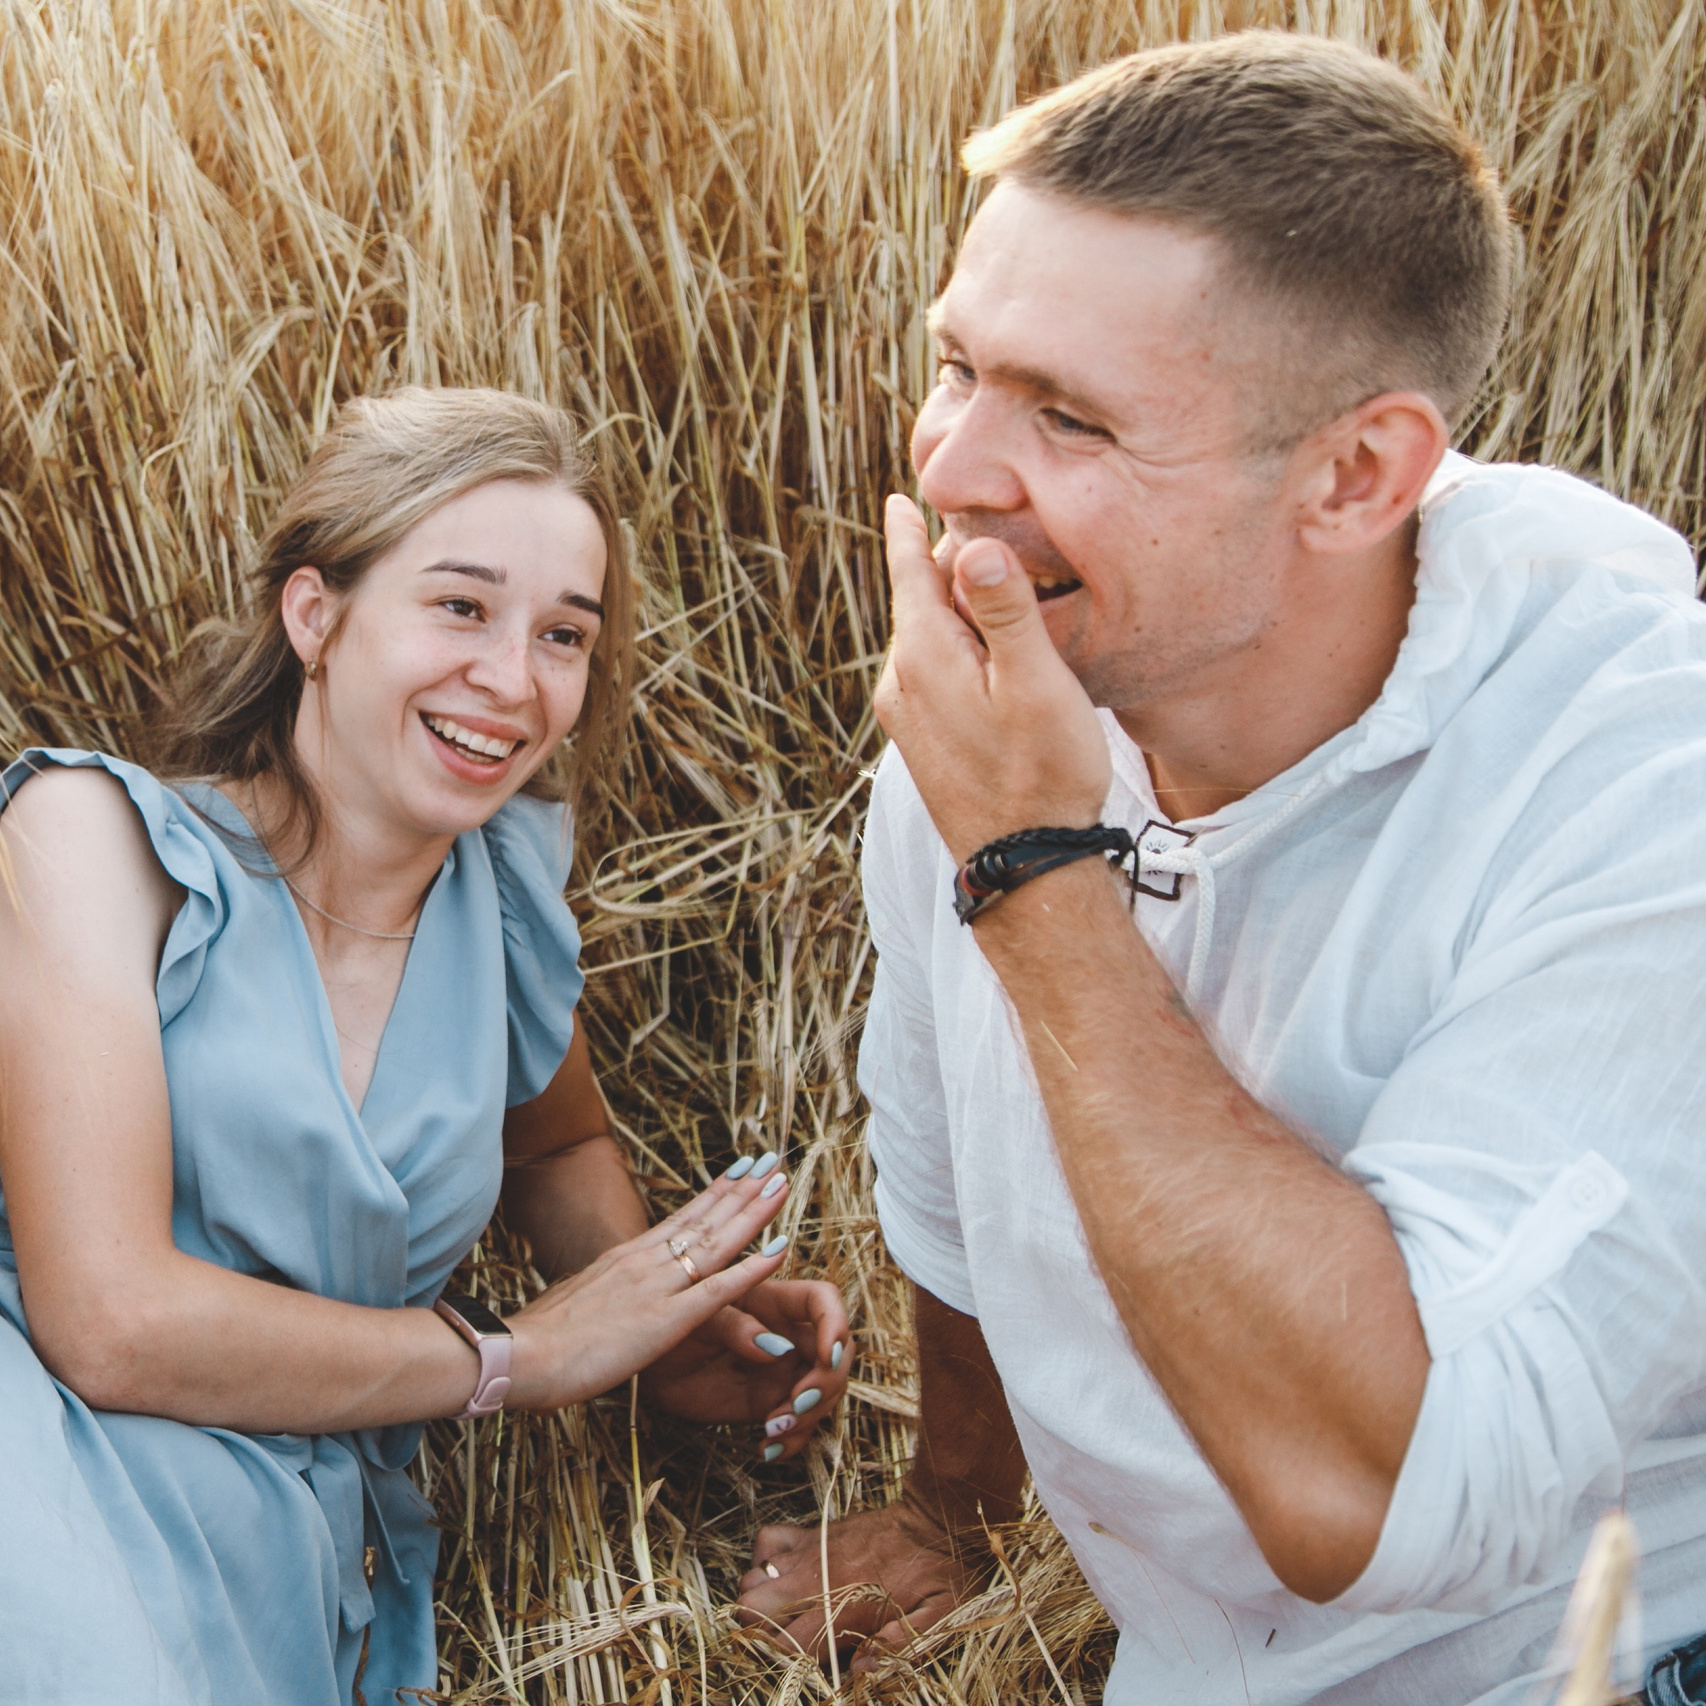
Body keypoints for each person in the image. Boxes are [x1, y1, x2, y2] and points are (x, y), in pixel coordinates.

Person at [736, 32, 1706, 1706]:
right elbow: (955, 1191)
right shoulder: (1007, 706)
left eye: (1071, 417)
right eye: (958, 366)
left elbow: (1384, 1503)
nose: (950, 467)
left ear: (1354, 474)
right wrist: (954, 1512)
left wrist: (1034, 872)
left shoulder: (1637, 790)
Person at [0, 387, 851, 1706]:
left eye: (563, 635)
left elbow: (554, 1141)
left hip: (292, 1528)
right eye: (461, 606)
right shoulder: (94, 845)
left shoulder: (503, 912)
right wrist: (520, 1357)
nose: (512, 680)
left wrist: (656, 1321)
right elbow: (108, 1323)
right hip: (44, 1442)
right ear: (315, 615)